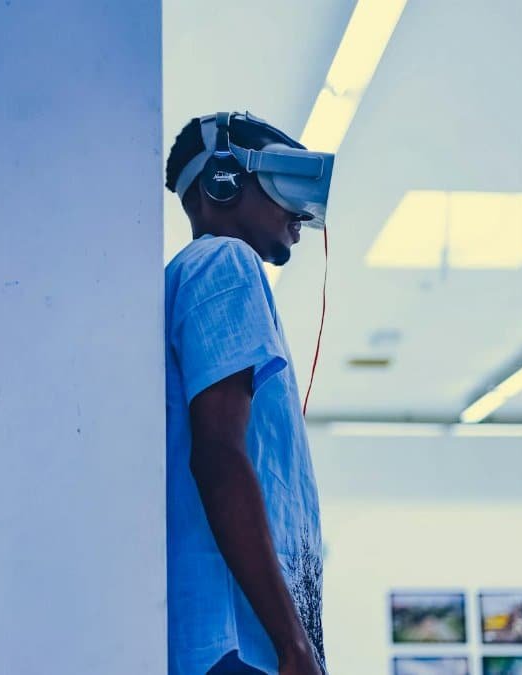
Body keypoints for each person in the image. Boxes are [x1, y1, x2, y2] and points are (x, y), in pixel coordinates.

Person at [164, 113, 329, 675]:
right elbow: (218, 456)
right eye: (285, 186)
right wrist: (292, 645)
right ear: (223, 182)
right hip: (242, 644)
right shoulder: (223, 262)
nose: (301, 215)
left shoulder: (198, 273)